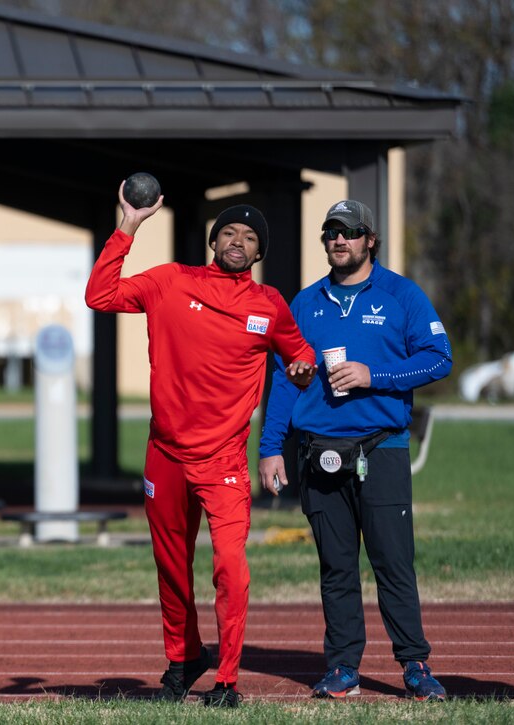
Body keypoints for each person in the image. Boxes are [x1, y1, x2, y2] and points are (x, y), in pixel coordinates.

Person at [85, 184, 317, 708]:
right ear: (214, 241)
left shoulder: (268, 304)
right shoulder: (170, 281)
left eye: (250, 236)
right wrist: (129, 224)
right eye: (229, 232)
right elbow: (99, 295)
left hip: (224, 462)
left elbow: (300, 359)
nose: (238, 240)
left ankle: (227, 680)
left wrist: (302, 372)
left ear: (260, 253)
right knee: (172, 568)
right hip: (164, 455)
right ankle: (182, 659)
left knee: (230, 567)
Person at [258, 199, 453, 701]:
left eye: (349, 231)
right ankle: (343, 667)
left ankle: (414, 665)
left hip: (381, 449)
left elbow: (439, 358)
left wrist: (375, 376)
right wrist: (270, 447)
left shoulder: (401, 295)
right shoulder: (305, 303)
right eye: (330, 232)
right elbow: (283, 379)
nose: (338, 240)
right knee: (336, 566)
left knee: (393, 562)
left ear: (370, 240)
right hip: (318, 452)